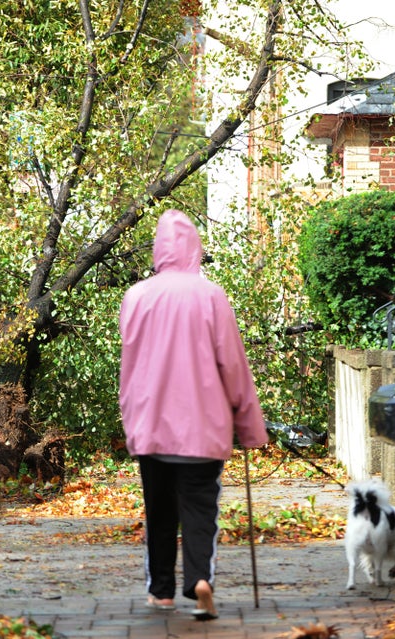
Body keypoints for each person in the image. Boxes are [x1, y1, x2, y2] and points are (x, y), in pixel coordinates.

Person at [118, 208, 268, 620]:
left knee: (160, 510)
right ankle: (200, 578)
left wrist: (131, 421)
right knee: (201, 511)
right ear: (195, 248)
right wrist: (250, 428)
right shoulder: (211, 296)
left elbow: (129, 369)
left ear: (158, 248)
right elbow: (233, 367)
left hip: (151, 427)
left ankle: (162, 591)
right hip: (204, 430)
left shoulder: (137, 297)